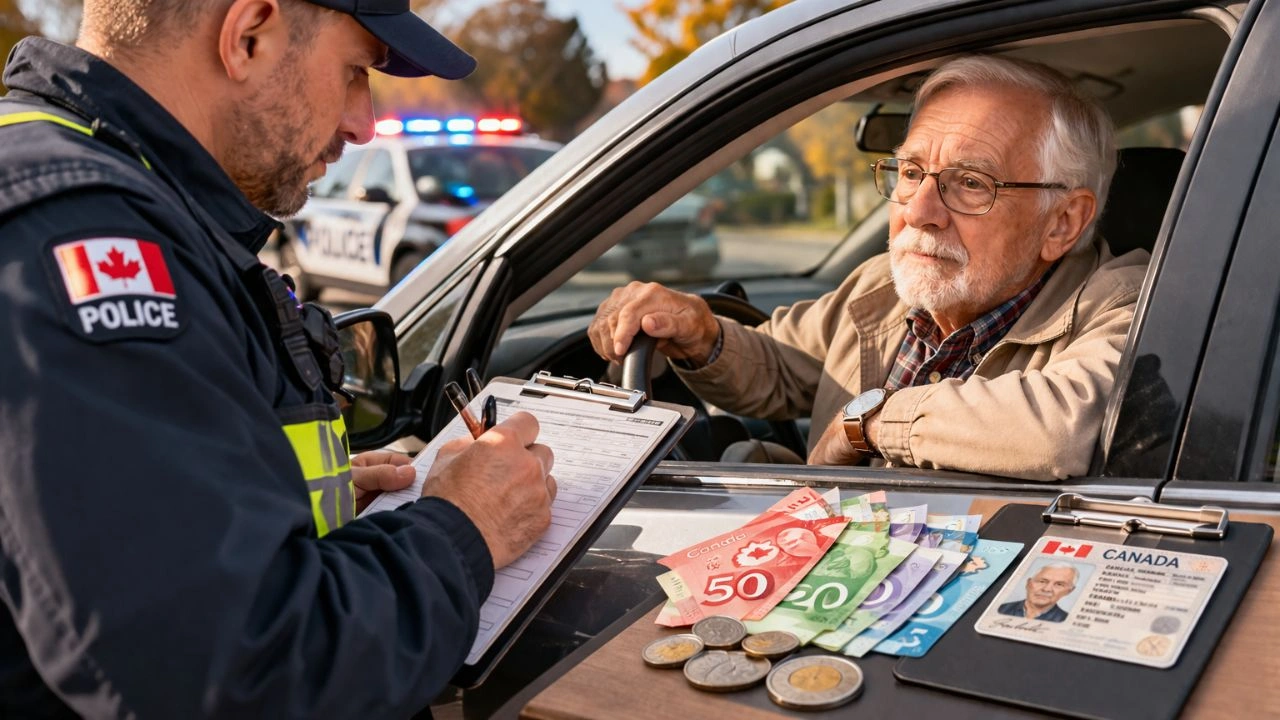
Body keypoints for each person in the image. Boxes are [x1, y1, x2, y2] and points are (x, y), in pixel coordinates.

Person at [0, 1, 558, 717]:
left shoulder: (111, 197)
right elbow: (238, 672)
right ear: (249, 35)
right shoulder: (83, 240)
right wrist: (464, 529)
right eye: (355, 71)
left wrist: (270, 494)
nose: (365, 123)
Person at [589, 55, 1149, 481]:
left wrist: (869, 423)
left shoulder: (1128, 303)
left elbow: (1066, 426)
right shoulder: (883, 284)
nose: (919, 212)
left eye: (972, 183)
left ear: (1063, 222)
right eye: (911, 172)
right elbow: (784, 366)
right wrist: (700, 333)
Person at [998, 564, 1079, 622]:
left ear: (1069, 591)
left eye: (1059, 584)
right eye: (1042, 581)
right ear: (1028, 583)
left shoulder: (1066, 620)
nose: (1047, 589)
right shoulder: (1001, 609)